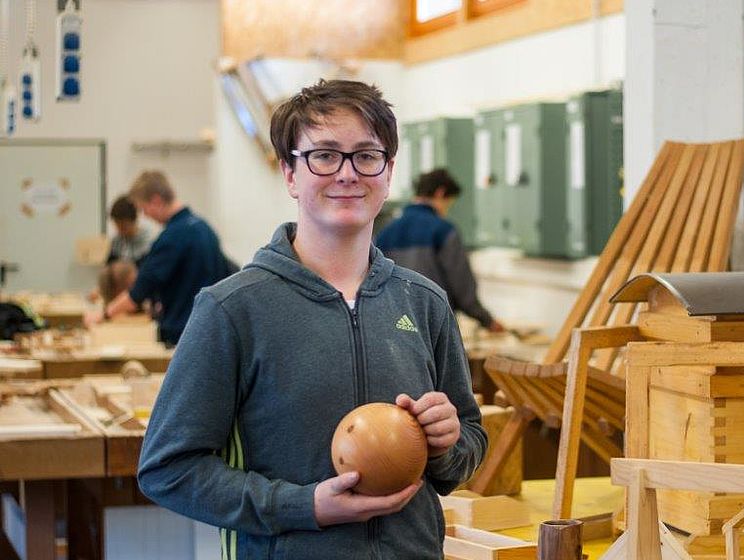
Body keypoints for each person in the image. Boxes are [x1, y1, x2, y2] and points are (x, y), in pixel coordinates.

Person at [137, 80, 486, 560]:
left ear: (388, 173)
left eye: (367, 155)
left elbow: (468, 445)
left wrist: (448, 442)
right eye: (324, 155)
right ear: (289, 174)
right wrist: (305, 506)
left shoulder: (423, 302)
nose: (347, 173)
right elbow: (168, 469)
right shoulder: (232, 308)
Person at [85, 171, 232, 345]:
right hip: (209, 331)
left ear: (155, 201)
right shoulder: (204, 228)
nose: (145, 215)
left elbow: (139, 291)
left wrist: (103, 315)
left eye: (143, 209)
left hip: (183, 335)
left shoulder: (173, 237)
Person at [376, 169, 504, 333]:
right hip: (435, 327)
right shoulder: (444, 231)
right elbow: (463, 290)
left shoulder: (385, 233)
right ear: (440, 193)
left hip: (396, 327)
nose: (446, 210)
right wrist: (488, 321)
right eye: (449, 203)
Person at [106, 195, 152, 265]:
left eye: (124, 226)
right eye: (116, 224)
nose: (119, 230)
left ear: (134, 220)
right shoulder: (117, 241)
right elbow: (109, 265)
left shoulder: (149, 241)